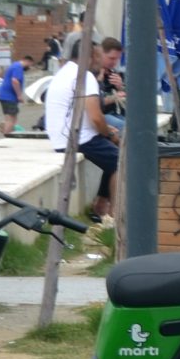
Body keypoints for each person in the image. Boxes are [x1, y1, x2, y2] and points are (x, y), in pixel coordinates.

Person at [45, 37, 123, 222]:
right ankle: (115, 216)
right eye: (96, 55)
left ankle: (100, 206)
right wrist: (109, 133)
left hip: (64, 137)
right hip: (74, 139)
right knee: (122, 161)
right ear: (89, 56)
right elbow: (96, 117)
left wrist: (106, 130)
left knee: (112, 157)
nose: (98, 59)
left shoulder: (65, 72)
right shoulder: (85, 76)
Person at [0, 54, 28, 138]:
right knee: (12, 119)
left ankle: (6, 131)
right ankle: (7, 137)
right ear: (27, 61)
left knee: (8, 118)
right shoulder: (18, 67)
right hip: (9, 97)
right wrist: (19, 95)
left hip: (3, 96)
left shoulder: (14, 65)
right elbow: (15, 81)